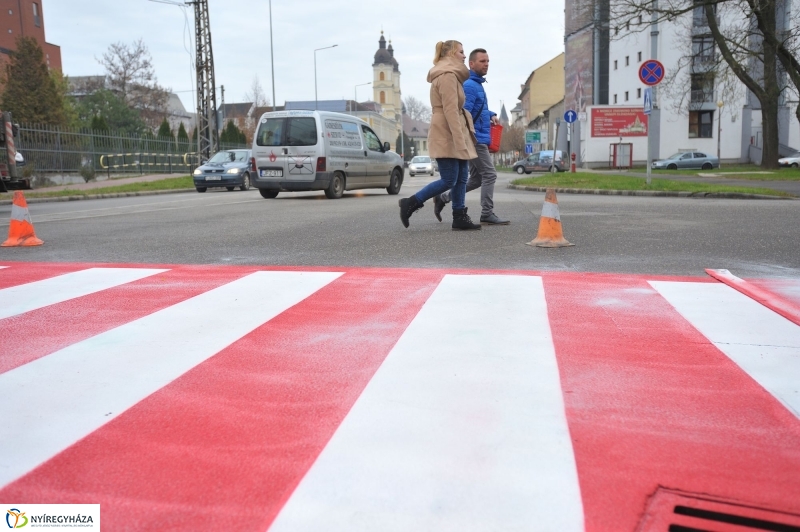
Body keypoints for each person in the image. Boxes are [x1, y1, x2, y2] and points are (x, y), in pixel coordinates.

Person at [397, 40, 480, 231]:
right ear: (451, 53)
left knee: (461, 178)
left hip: (451, 128)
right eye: (461, 51)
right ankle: (411, 202)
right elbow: (451, 110)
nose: (464, 55)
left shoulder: (452, 75)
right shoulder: (447, 75)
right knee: (449, 179)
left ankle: (459, 215)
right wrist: (460, 140)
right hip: (447, 130)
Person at [433, 48, 510, 225]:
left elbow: (477, 108)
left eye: (488, 61)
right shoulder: (469, 85)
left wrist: (490, 113)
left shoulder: (477, 84)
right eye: (482, 61)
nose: (486, 64)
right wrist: (466, 137)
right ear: (472, 64)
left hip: (480, 137)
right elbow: (463, 112)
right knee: (490, 174)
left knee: (477, 179)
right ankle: (486, 213)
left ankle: (443, 198)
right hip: (475, 139)